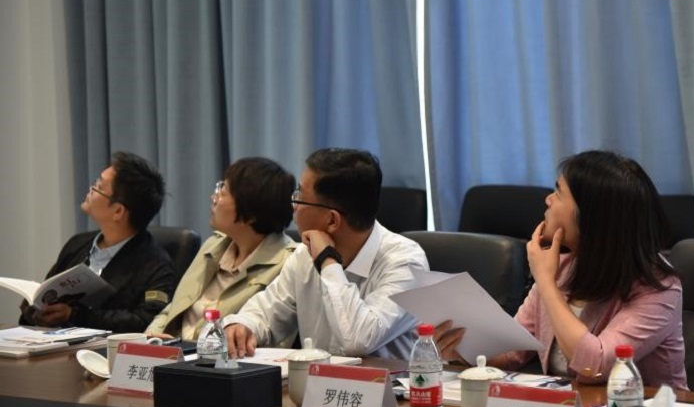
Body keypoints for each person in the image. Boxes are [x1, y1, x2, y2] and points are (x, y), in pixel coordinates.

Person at [436, 150, 687, 389]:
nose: (548, 199)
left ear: (591, 215)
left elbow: (594, 367)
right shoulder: (562, 266)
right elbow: (511, 352)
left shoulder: (659, 287)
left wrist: (546, 283)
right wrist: (463, 349)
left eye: (558, 192)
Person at [223, 148, 429, 359]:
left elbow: (358, 340)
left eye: (299, 197)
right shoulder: (304, 256)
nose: (294, 207)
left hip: (391, 381)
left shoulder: (406, 263)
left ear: (332, 220)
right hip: (317, 380)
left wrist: (328, 261)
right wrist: (242, 325)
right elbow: (266, 310)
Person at [19, 151, 176, 333]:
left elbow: (145, 321)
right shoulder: (77, 244)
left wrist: (75, 315)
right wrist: (35, 311)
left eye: (98, 186)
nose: (91, 189)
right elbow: (46, 293)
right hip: (49, 342)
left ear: (118, 211)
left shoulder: (156, 266)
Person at [146, 157, 297, 342]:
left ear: (250, 214)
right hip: (172, 351)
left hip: (217, 357)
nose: (213, 198)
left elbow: (272, 340)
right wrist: (150, 338)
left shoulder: (288, 262)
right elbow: (176, 307)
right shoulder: (213, 246)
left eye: (222, 192)